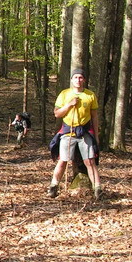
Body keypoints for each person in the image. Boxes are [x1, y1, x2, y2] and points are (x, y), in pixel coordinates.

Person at [48, 68, 101, 200]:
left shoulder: (90, 95)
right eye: (75, 77)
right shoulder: (64, 94)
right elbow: (57, 113)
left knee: (90, 161)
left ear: (84, 80)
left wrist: (96, 135)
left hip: (84, 132)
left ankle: (97, 189)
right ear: (71, 79)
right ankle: (53, 186)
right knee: (62, 161)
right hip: (68, 132)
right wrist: (69, 105)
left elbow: (94, 117)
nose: (78, 80)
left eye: (80, 77)